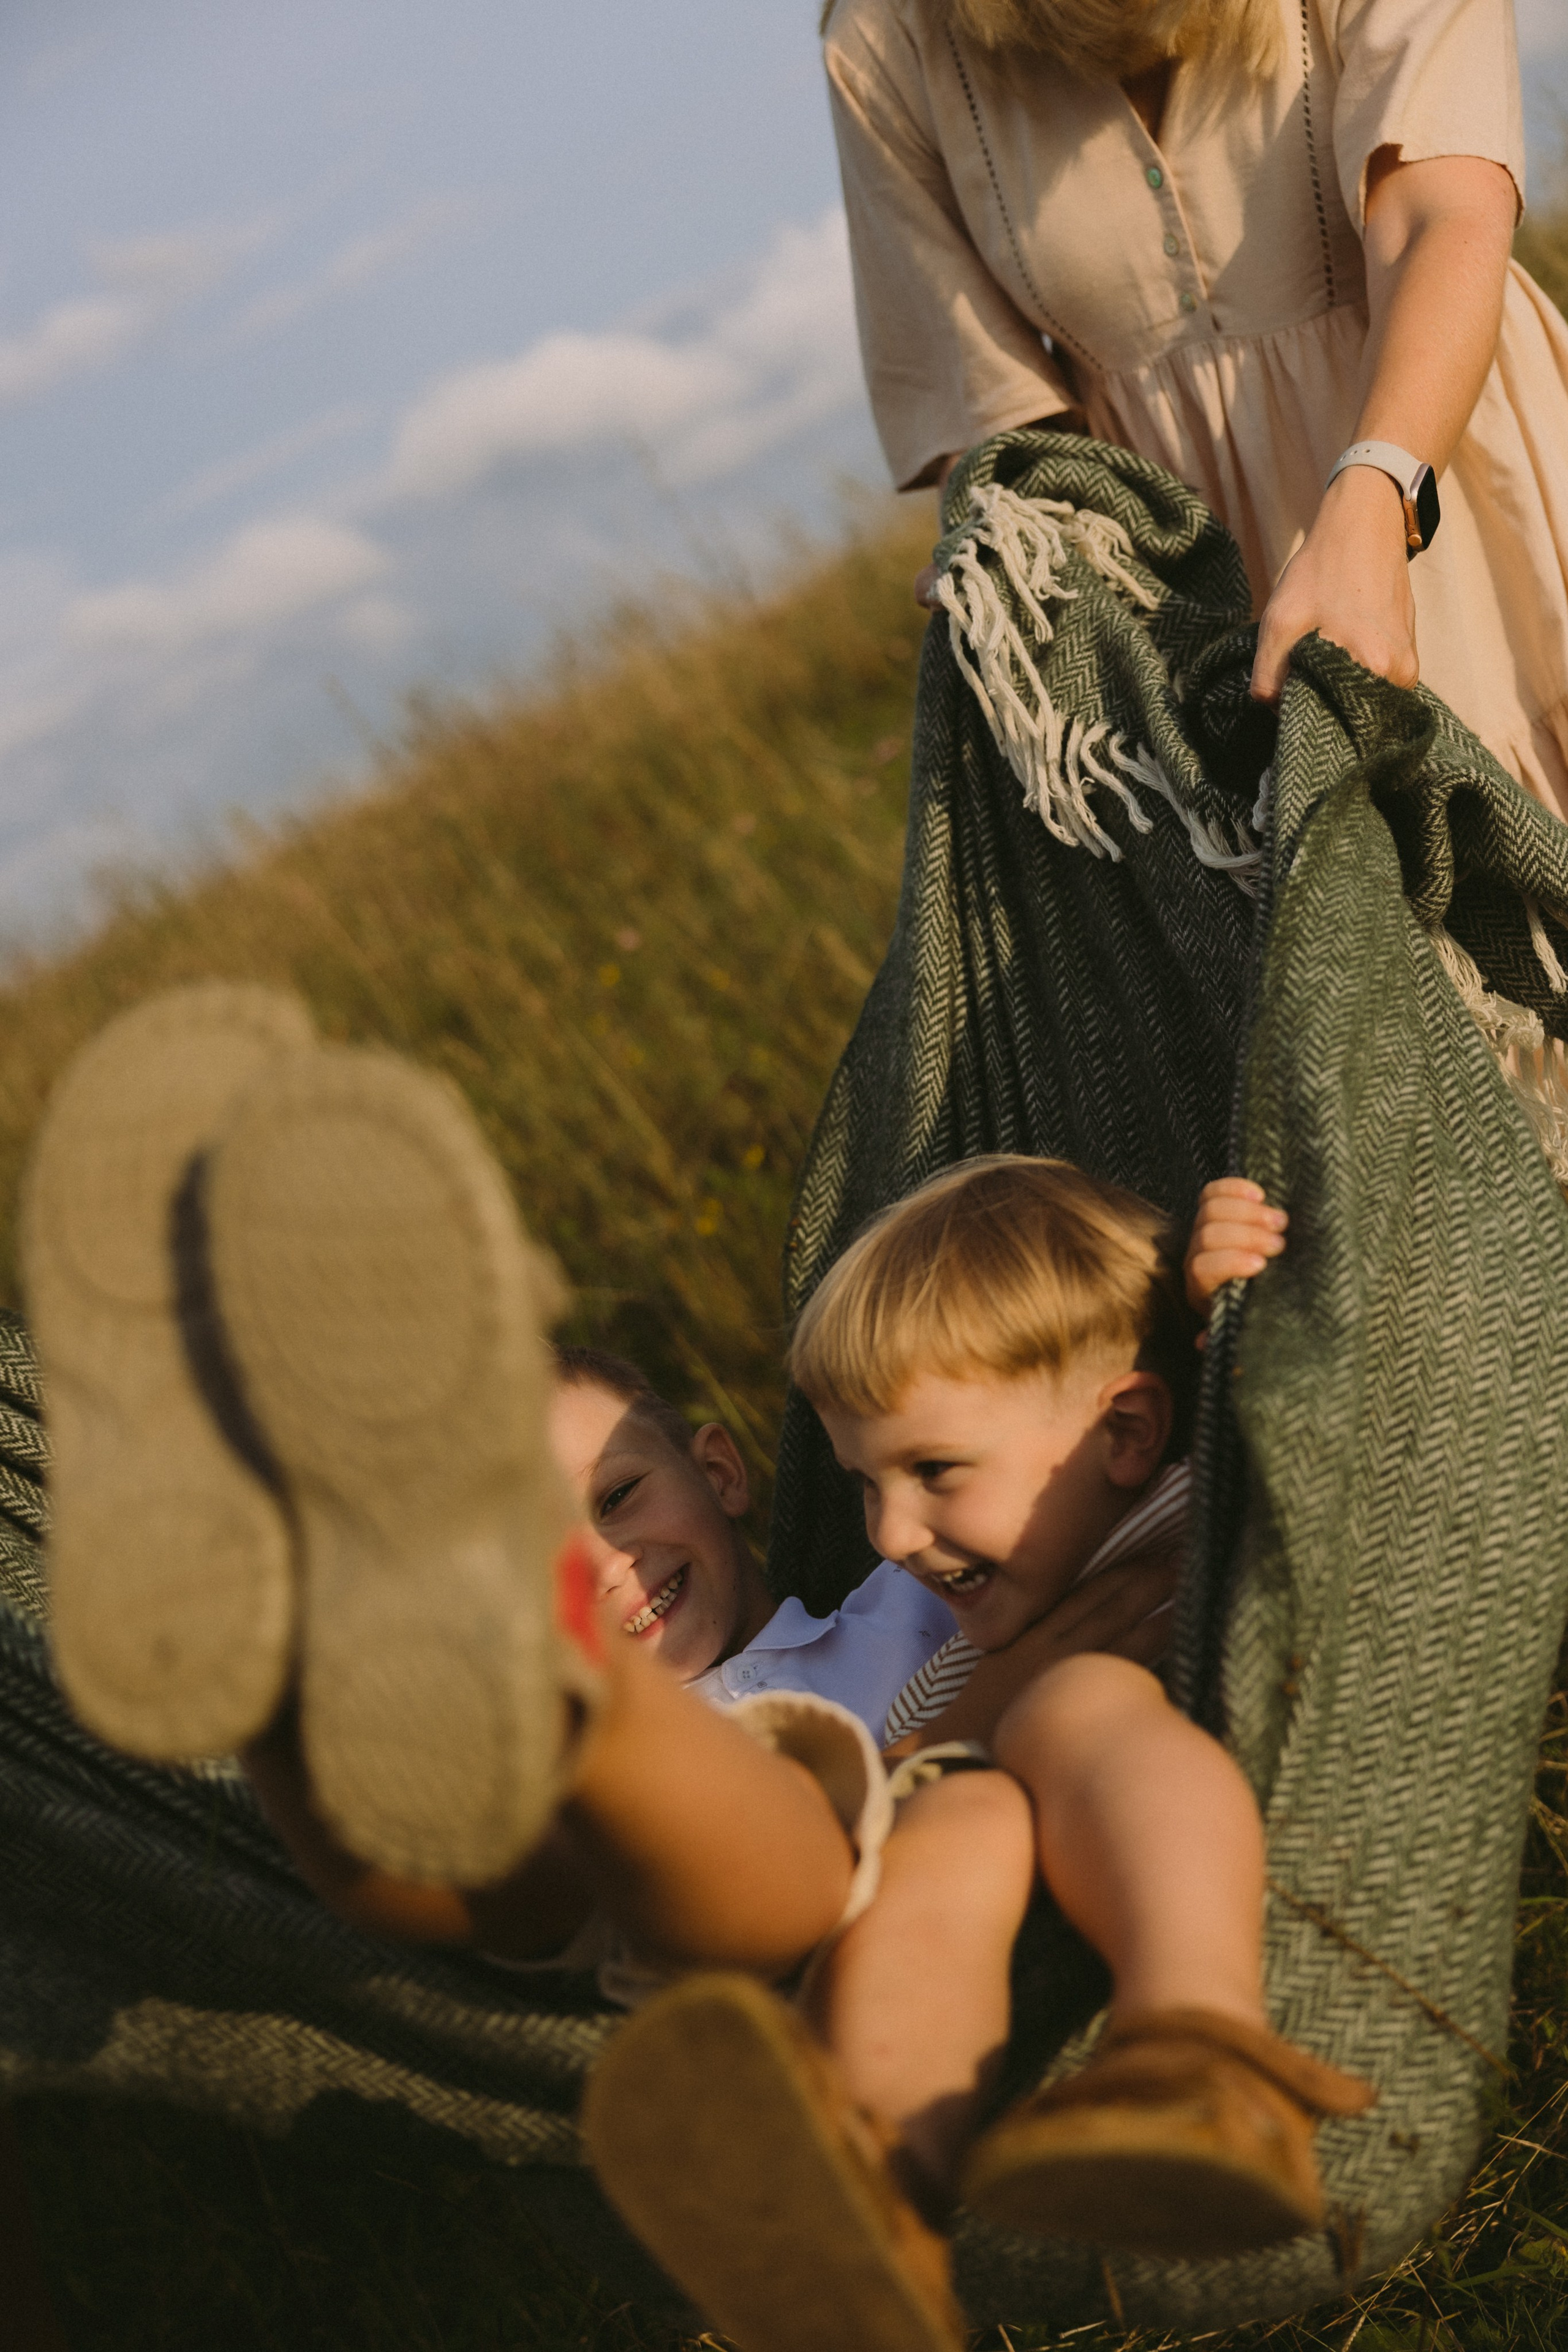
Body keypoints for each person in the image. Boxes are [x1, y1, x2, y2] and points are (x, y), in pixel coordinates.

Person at [586, 1159, 1373, 2350]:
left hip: (1161, 1803)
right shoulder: (941, 1598)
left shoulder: (1183, 1496)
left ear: (1126, 1432)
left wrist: (1229, 1308)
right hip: (974, 1863)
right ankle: (878, 2205)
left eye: (934, 1472)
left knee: (1069, 1708)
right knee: (957, 1816)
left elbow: (1314, 1407)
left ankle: (1198, 2055)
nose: (892, 1535)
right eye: (864, 1486)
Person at [821, 0, 1568, 810]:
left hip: (1484, 508)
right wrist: (1012, 569)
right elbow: (1005, 438)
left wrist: (1372, 510)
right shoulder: (887, 41)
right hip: (1200, 636)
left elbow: (1438, 217)